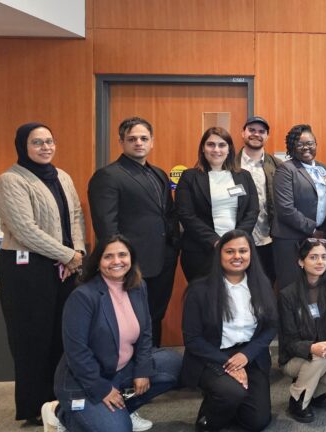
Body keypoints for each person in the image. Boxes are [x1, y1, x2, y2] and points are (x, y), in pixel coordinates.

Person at [0, 122, 86, 425]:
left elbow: (75, 217)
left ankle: (59, 399)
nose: (45, 147)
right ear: (23, 146)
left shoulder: (63, 176)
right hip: (27, 272)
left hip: (65, 269)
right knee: (32, 340)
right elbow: (25, 230)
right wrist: (68, 255)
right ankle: (34, 407)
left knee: (62, 338)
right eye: (37, 142)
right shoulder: (10, 180)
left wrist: (79, 253)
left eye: (49, 141)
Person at [46, 235, 182, 432]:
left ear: (131, 258)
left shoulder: (138, 286)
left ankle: (120, 410)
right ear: (98, 262)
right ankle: (61, 414)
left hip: (120, 370)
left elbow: (145, 333)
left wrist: (142, 370)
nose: (117, 261)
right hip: (84, 380)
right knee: (118, 429)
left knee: (173, 364)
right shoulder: (83, 296)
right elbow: (77, 352)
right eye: (108, 256)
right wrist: (102, 389)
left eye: (122, 255)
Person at [89, 117, 180, 347]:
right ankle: (131, 372)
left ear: (152, 142)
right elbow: (106, 226)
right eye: (132, 139)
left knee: (155, 316)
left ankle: (152, 368)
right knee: (131, 321)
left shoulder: (159, 174)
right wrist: (118, 260)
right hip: (132, 264)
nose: (138, 143)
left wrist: (174, 246)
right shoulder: (108, 176)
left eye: (143, 138)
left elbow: (167, 214)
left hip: (163, 260)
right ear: (121, 142)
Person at [181, 230, 278, 431]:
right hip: (212, 356)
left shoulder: (262, 284)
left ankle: (228, 402)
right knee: (232, 393)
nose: (237, 256)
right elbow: (193, 340)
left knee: (258, 421)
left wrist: (246, 355)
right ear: (219, 255)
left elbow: (270, 327)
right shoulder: (199, 290)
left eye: (243, 251)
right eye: (230, 251)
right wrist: (229, 364)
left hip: (249, 355)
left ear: (251, 254)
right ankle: (206, 419)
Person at [278, 239, 326, 423]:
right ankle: (298, 401)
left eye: (323, 257)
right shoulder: (287, 295)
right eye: (313, 257)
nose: (320, 262)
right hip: (295, 357)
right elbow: (289, 341)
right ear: (301, 262)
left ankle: (308, 389)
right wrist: (312, 348)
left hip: (325, 353)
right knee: (321, 356)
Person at [176, 126, 259, 282]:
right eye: (211, 144)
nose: (216, 149)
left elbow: (252, 211)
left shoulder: (244, 176)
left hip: (237, 252)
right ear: (202, 148)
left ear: (229, 149)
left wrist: (235, 240)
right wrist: (215, 241)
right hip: (200, 251)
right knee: (203, 300)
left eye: (222, 145)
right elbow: (186, 215)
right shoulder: (189, 177)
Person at [272, 124, 326, 289]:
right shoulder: (285, 170)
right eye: (300, 144)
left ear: (316, 144)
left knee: (315, 289)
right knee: (291, 289)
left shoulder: (322, 168)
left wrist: (324, 231)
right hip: (290, 240)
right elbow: (285, 209)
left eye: (310, 143)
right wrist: (313, 230)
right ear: (292, 147)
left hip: (317, 238)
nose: (306, 148)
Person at [235, 116, 283, 285]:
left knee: (266, 287)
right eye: (252, 130)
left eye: (261, 131)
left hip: (268, 240)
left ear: (267, 136)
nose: (256, 134)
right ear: (243, 133)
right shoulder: (229, 164)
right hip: (237, 239)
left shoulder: (278, 166)